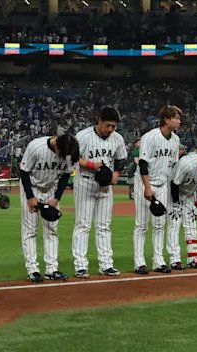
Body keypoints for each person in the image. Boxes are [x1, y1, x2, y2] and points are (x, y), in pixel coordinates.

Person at [73, 106, 127, 278]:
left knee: (104, 226)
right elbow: (73, 157)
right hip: (85, 182)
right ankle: (81, 266)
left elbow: (121, 158)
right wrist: (91, 165)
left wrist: (116, 173)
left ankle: (106, 264)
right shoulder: (83, 136)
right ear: (99, 121)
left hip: (105, 186)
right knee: (83, 225)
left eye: (114, 126)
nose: (110, 129)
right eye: (108, 125)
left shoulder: (117, 138)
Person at [18, 133, 79, 282]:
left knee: (52, 230)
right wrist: (30, 197)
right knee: (30, 230)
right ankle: (32, 270)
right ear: (57, 146)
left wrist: (56, 197)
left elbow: (66, 175)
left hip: (51, 189)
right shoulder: (36, 147)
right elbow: (24, 172)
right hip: (31, 187)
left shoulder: (69, 150)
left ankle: (52, 269)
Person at [133, 105, 182, 274]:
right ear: (166, 119)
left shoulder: (175, 139)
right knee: (142, 224)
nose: (179, 121)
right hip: (144, 182)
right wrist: (147, 187)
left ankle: (158, 260)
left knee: (160, 224)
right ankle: (139, 261)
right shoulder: (150, 137)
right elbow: (143, 163)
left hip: (163, 183)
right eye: (176, 118)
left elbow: (174, 165)